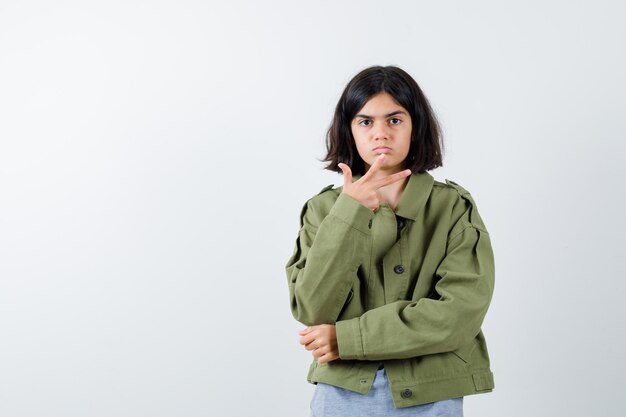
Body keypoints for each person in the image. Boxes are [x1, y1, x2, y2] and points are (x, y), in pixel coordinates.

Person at [285, 65, 495, 417]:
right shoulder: (323, 210)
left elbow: (459, 314)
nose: (380, 133)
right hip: (343, 390)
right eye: (365, 122)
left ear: (416, 127)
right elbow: (311, 308)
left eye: (394, 120)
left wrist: (346, 339)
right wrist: (349, 213)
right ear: (349, 131)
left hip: (432, 392)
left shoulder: (452, 207)